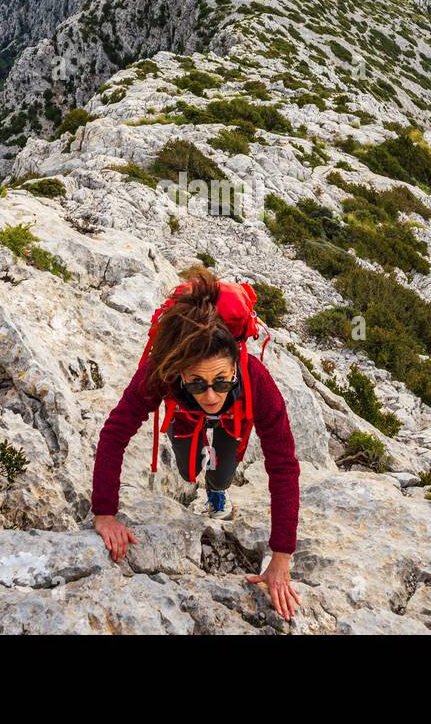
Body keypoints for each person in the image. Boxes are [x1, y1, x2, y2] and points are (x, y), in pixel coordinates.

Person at [90, 266, 303, 620]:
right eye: (197, 384)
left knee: (219, 476)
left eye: (221, 382)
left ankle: (217, 493)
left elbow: (283, 464)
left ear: (236, 366)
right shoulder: (162, 373)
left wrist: (281, 556)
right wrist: (104, 513)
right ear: (179, 375)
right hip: (184, 416)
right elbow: (116, 432)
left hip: (235, 421)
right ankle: (193, 444)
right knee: (188, 470)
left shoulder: (256, 381)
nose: (210, 395)